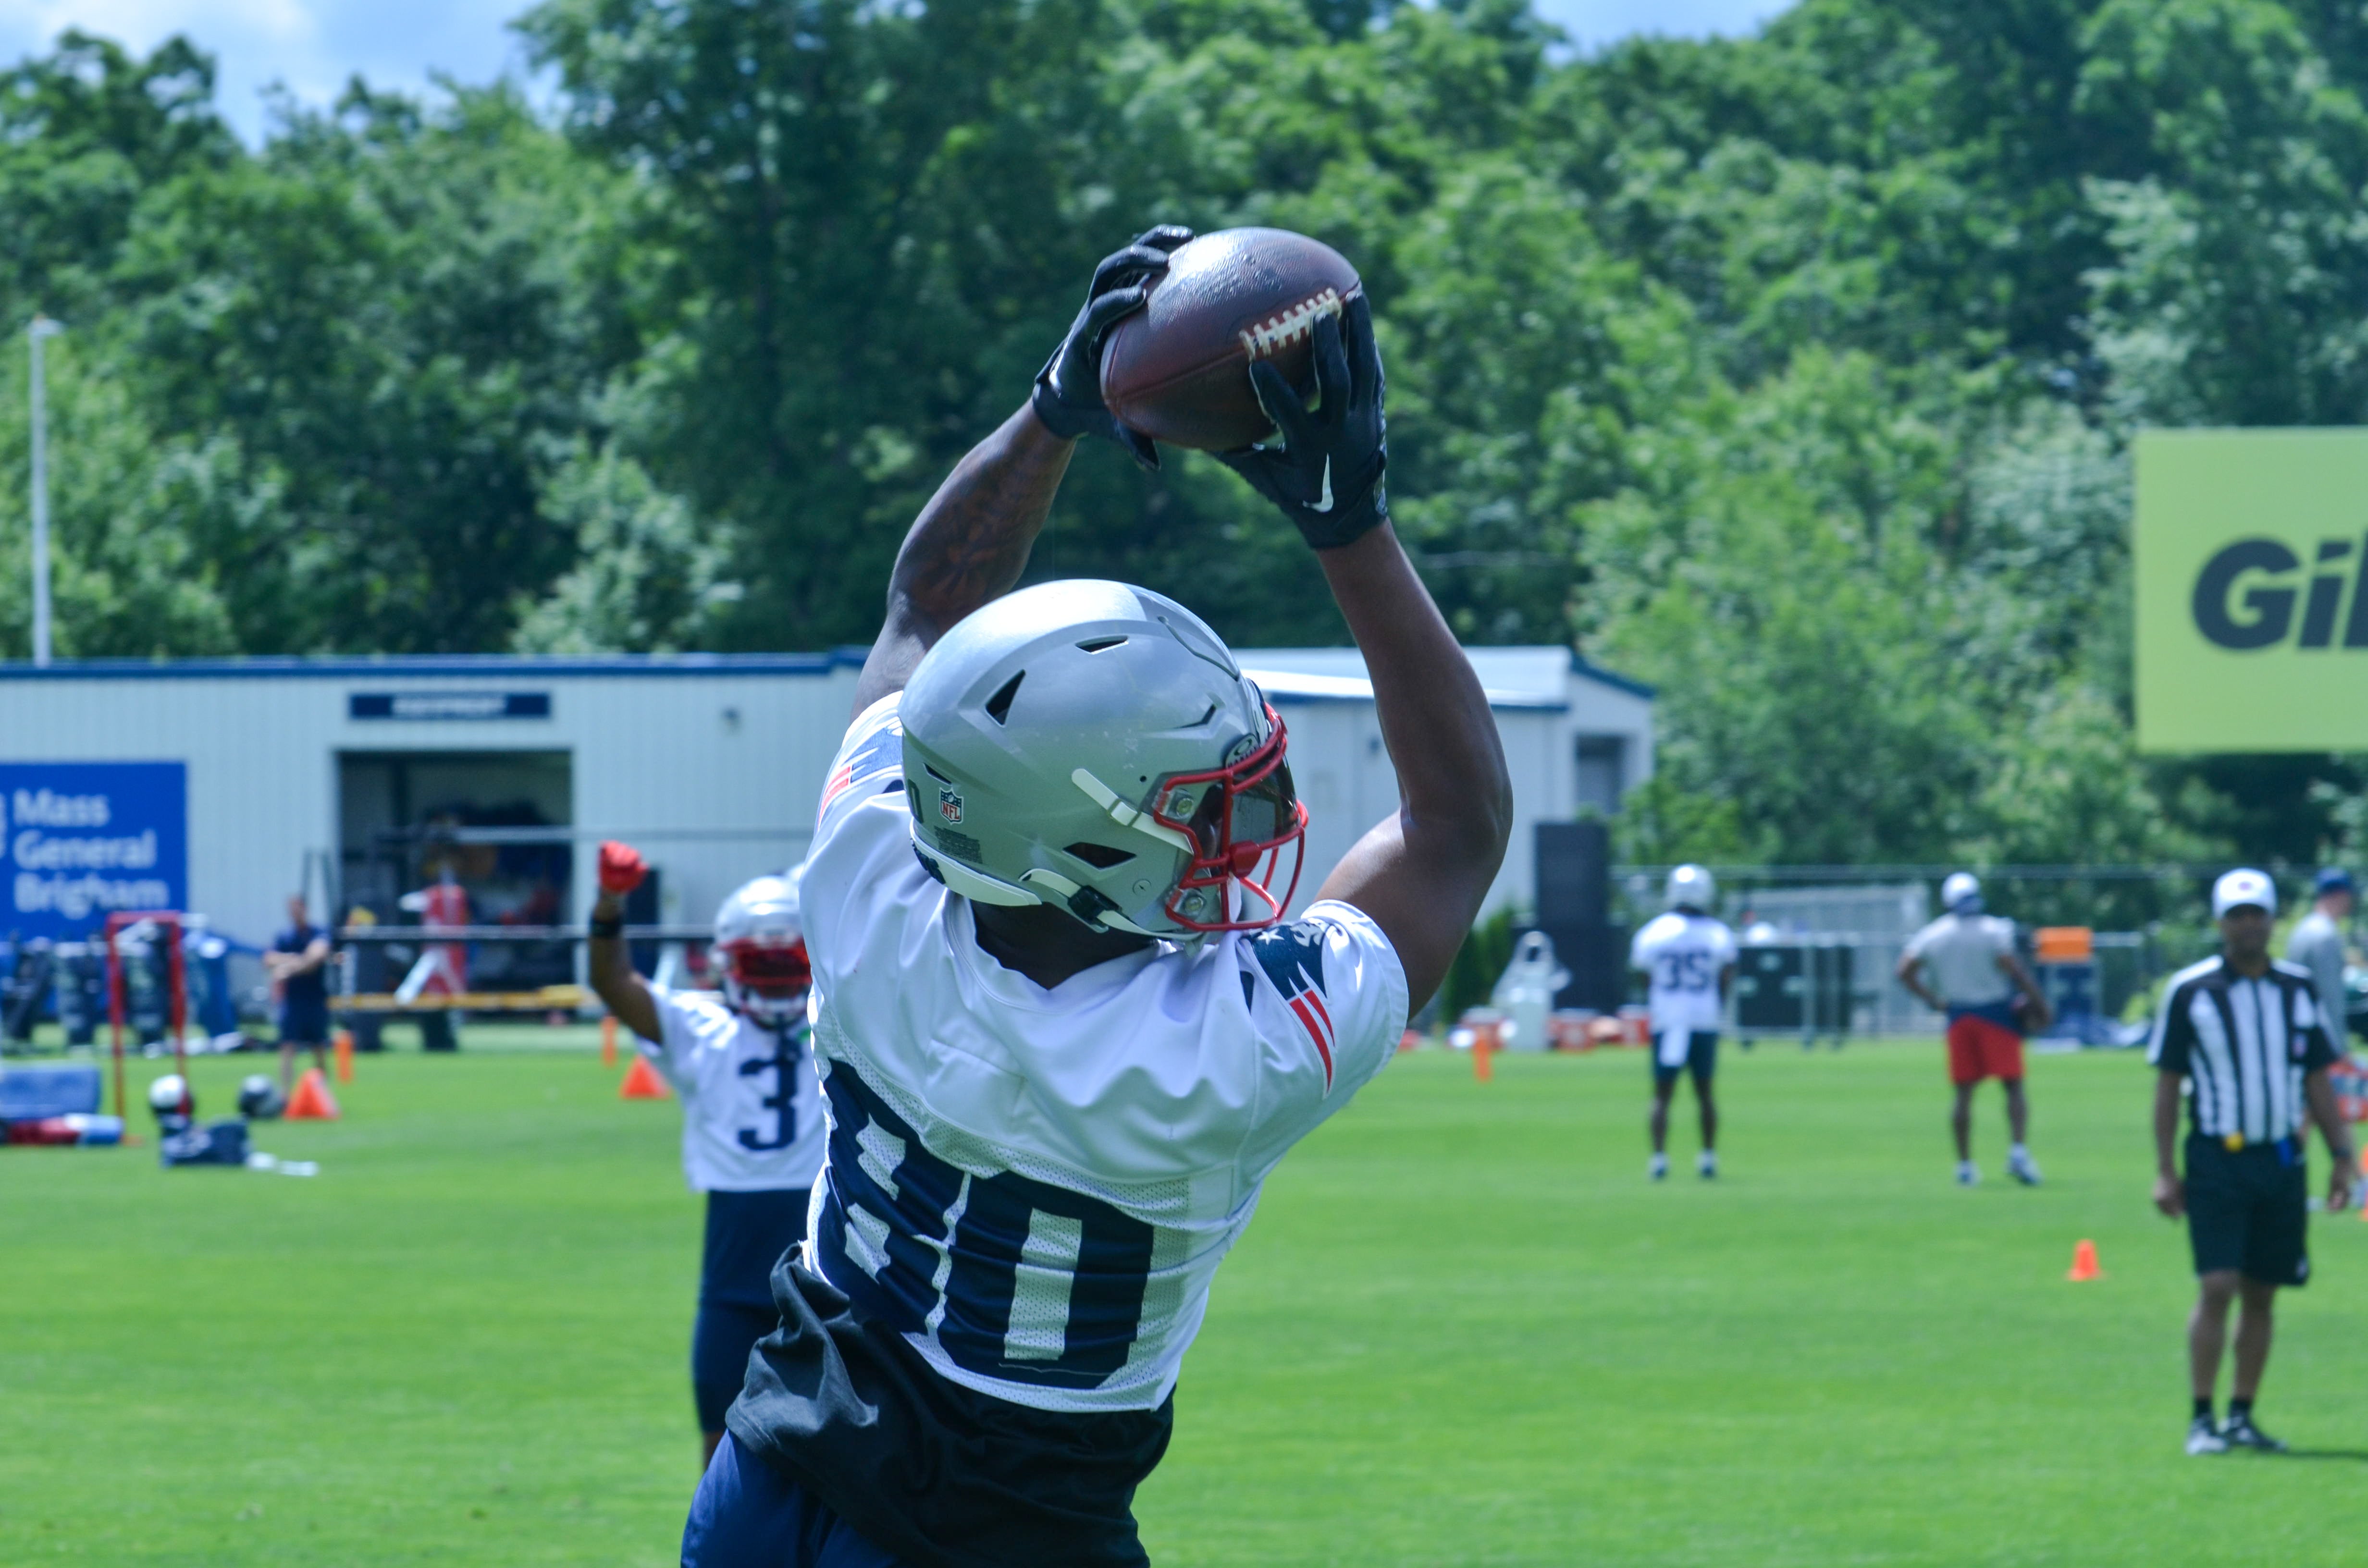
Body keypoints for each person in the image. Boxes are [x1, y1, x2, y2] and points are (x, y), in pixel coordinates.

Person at [679, 228, 1510, 1566]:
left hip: (770, 1479)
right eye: (1207, 809)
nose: (1244, 835)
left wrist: (1054, 406)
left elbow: (916, 612)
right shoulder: (1218, 1055)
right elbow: (1457, 829)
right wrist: (1347, 520)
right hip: (1008, 1530)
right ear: (1086, 845)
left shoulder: (870, 880)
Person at [588, 850, 826, 1468]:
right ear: (730, 964)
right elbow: (613, 983)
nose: (776, 978)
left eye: (788, 964)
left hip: (823, 1254)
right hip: (734, 1262)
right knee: (720, 1443)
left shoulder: (838, 1017)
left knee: (838, 1450)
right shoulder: (704, 1026)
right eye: (762, 965)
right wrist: (609, 908)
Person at [2150, 868, 2357, 1456]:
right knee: (2216, 1284)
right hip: (2216, 1154)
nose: (2247, 925)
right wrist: (2165, 1169)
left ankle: (2242, 1414)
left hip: (2279, 1159)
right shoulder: (2191, 992)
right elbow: (2167, 1084)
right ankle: (2200, 1417)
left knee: (2262, 1291)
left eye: (2256, 914)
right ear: (2220, 923)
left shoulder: (2295, 991)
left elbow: (2317, 1078)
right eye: (2236, 915)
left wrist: (2341, 1156)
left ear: (2270, 920)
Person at [1896, 871, 2052, 1186]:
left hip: (1959, 1017)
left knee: (1964, 1093)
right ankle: (2018, 1152)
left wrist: (1933, 1000)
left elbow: (1904, 972)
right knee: (2013, 1086)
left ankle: (1965, 1166)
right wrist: (2040, 1003)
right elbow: (2015, 971)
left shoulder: (1934, 935)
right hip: (1996, 1015)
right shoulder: (1994, 930)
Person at [1629, 864, 1736, 1179]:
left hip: (1669, 1019)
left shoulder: (1653, 932)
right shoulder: (1718, 933)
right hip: (1703, 1018)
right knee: (1705, 1093)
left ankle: (1659, 1160)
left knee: (1662, 1094)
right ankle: (1708, 1158)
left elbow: (1643, 976)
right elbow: (1725, 978)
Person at [262, 894, 332, 1092]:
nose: (295, 912)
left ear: (305, 909)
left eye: (298, 908)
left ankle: (323, 1094)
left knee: (319, 1048)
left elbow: (316, 958)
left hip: (315, 999)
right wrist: (292, 959)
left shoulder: (318, 932)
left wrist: (287, 969)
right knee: (287, 1047)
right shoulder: (285, 936)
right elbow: (268, 959)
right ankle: (286, 1094)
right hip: (292, 1001)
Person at [2284, 868, 2354, 1056]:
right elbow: (2331, 998)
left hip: (2300, 1034)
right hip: (2322, 1045)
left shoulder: (2303, 928)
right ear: (2342, 895)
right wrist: (2339, 1049)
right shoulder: (2326, 936)